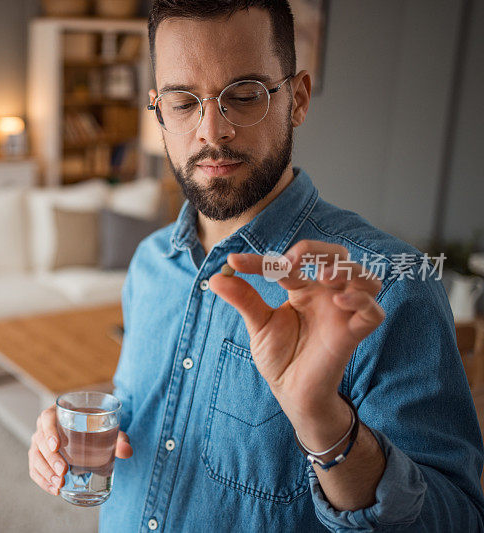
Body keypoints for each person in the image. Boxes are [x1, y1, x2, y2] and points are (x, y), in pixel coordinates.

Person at [28, 1, 484, 530]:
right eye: (182, 102)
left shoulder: (384, 287)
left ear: (298, 98)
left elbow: (460, 520)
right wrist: (72, 434)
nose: (211, 131)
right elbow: (146, 409)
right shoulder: (151, 263)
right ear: (157, 111)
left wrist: (326, 425)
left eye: (243, 96)